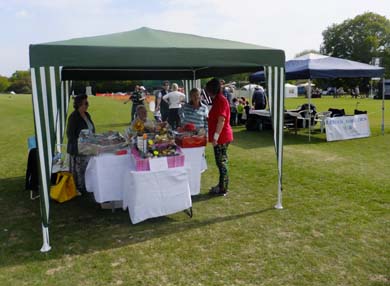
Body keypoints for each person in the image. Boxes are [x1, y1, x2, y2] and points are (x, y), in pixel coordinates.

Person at [206, 78, 233, 196]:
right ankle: (221, 185)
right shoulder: (217, 99)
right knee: (220, 162)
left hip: (222, 137)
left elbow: (221, 120)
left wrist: (216, 137)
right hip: (220, 137)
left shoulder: (221, 100)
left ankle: (223, 188)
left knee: (222, 163)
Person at [66, 94, 95, 193]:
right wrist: (80, 144)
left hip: (88, 147)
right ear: (79, 104)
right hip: (78, 149)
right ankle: (79, 187)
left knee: (87, 168)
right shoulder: (73, 117)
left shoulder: (87, 115)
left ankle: (86, 186)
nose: (88, 105)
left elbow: (91, 129)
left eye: (88, 103)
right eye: (86, 103)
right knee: (79, 170)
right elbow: (70, 135)